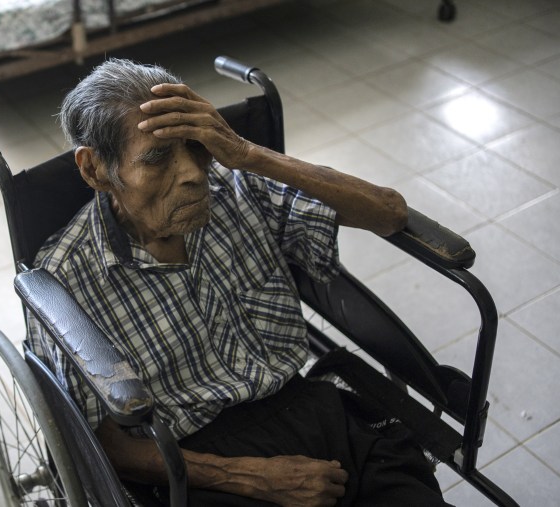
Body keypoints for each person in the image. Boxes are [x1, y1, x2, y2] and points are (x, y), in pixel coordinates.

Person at [29, 58, 450, 506]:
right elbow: (96, 443)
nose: (192, 174)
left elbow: (388, 212)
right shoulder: (65, 278)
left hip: (307, 408)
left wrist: (245, 153)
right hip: (194, 459)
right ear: (95, 170)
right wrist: (248, 476)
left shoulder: (237, 188)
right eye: (156, 159)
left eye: (198, 148)